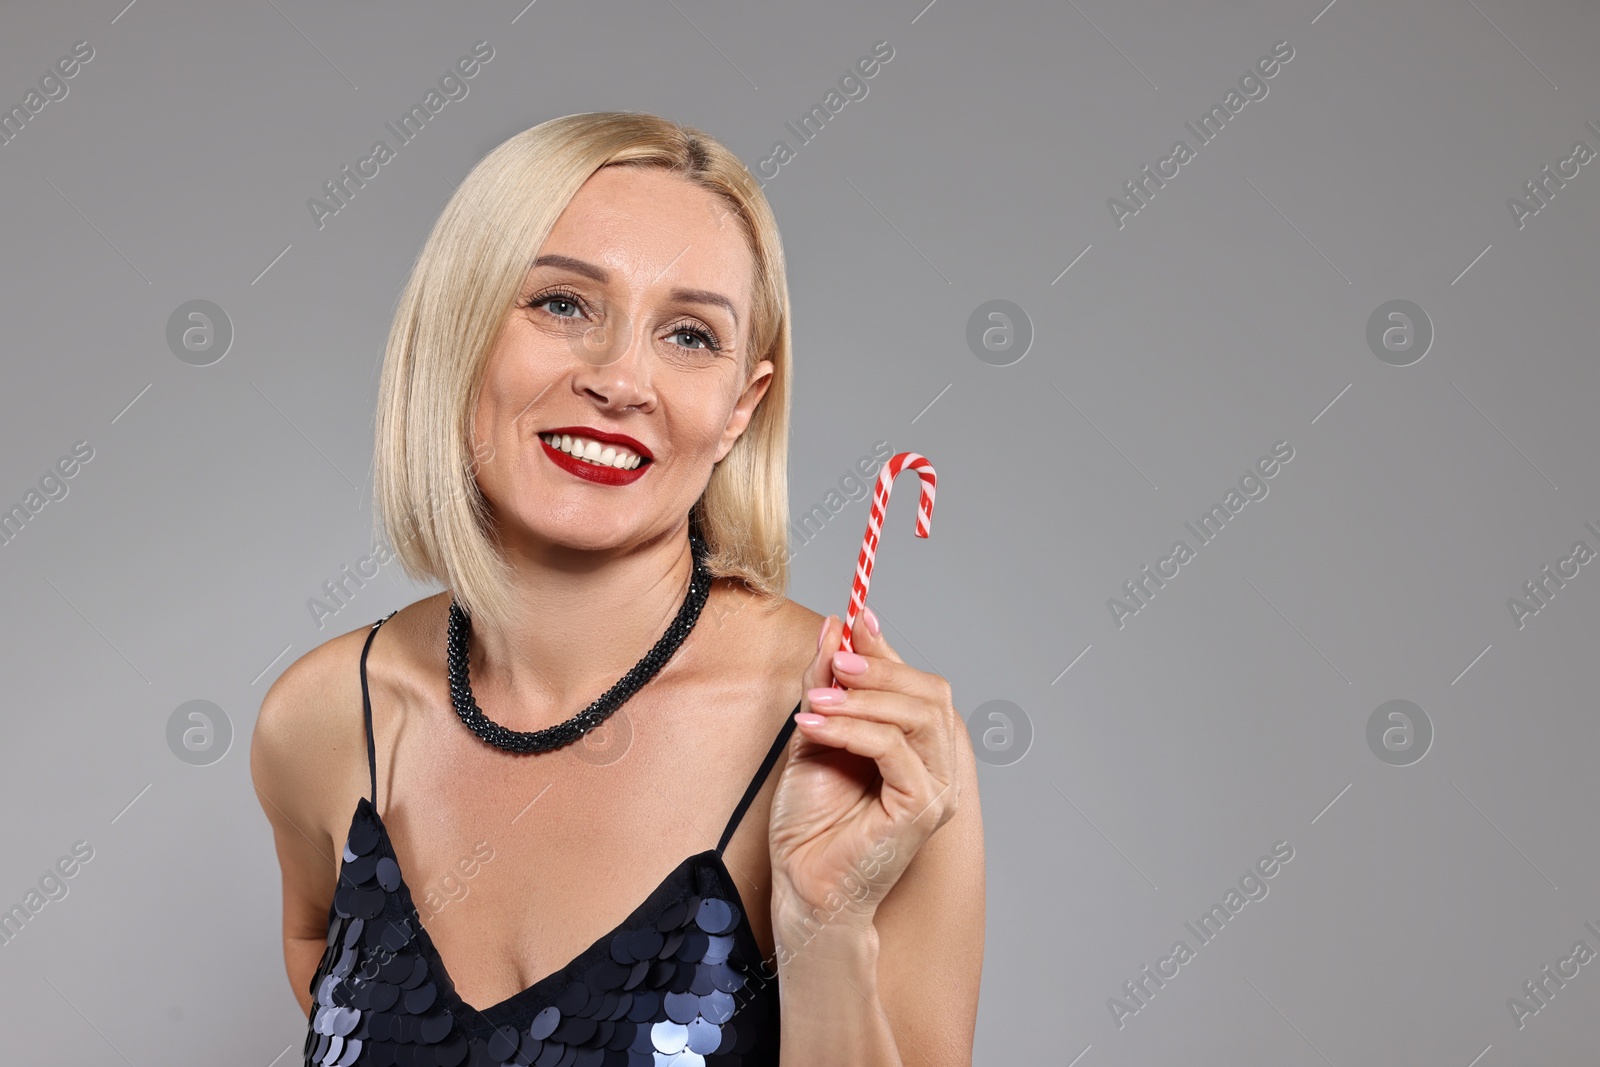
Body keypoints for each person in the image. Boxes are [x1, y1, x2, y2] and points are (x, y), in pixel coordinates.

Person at [251, 111, 984, 1066]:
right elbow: (319, 958)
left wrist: (826, 927)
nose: (622, 379)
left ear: (738, 410)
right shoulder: (322, 720)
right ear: (459, 332)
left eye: (688, 335)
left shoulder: (863, 750)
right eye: (563, 304)